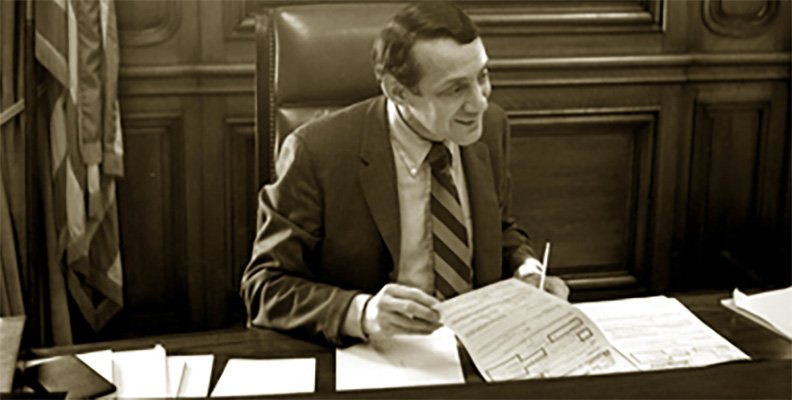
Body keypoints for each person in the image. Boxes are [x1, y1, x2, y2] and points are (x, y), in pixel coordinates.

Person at [240, 2, 569, 347]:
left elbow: (499, 231)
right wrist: (363, 313)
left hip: (478, 348)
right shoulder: (316, 152)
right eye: (455, 89)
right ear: (398, 92)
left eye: (482, 76)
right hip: (372, 356)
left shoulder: (489, 128)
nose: (480, 103)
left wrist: (527, 269)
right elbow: (265, 287)